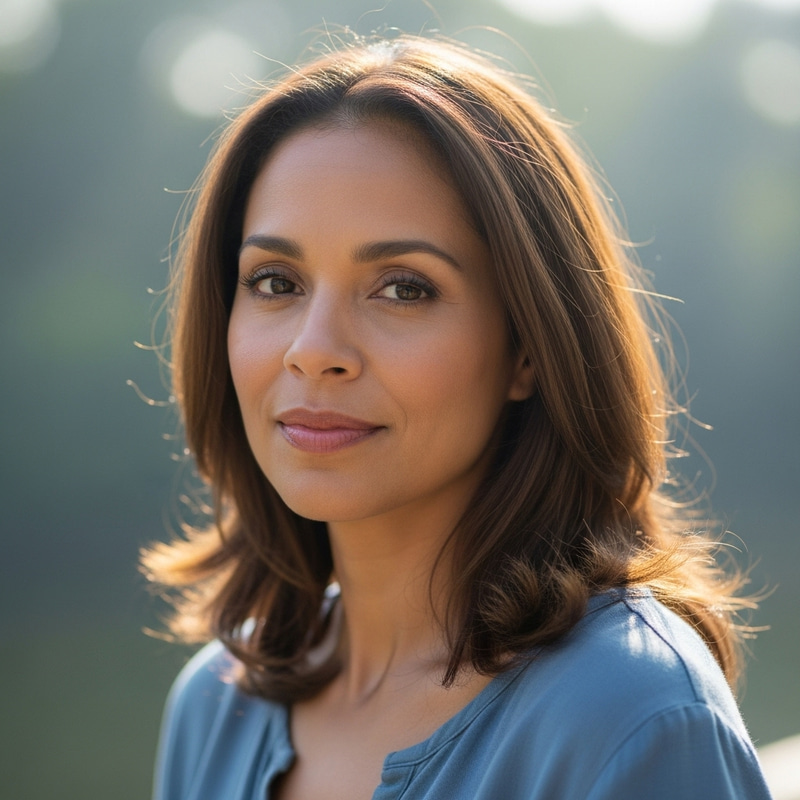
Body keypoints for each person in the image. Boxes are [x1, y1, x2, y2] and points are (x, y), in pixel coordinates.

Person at [143, 34, 773, 800]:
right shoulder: (213, 706)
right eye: (275, 281)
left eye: (403, 288)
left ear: (528, 349)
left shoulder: (633, 716)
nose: (314, 352)